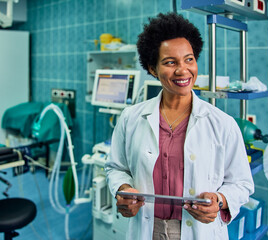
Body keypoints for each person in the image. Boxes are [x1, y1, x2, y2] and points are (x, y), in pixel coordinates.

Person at [104, 12, 254, 240]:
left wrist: (219, 200)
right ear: (153, 69)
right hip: (147, 228)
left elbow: (241, 183)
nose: (183, 70)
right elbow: (115, 167)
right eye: (170, 62)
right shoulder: (131, 117)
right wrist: (122, 189)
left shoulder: (222, 124)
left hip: (198, 231)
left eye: (189, 59)